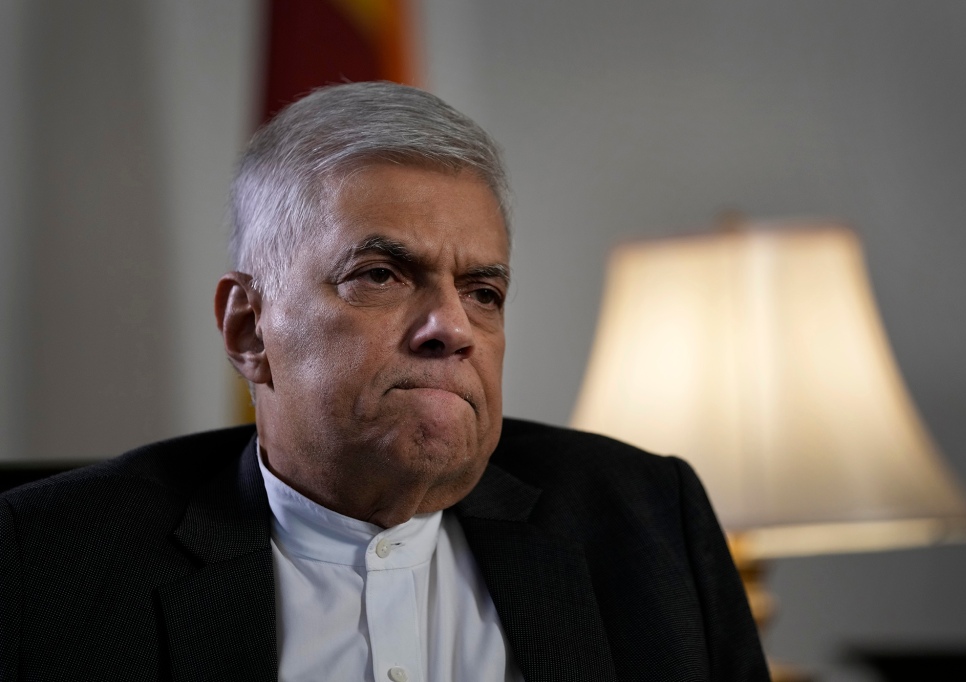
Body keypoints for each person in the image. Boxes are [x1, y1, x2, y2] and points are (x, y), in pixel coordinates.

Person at [0, 82, 768, 681]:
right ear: (248, 328)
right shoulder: (47, 565)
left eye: (483, 292)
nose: (452, 328)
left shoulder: (647, 525)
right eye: (380, 275)